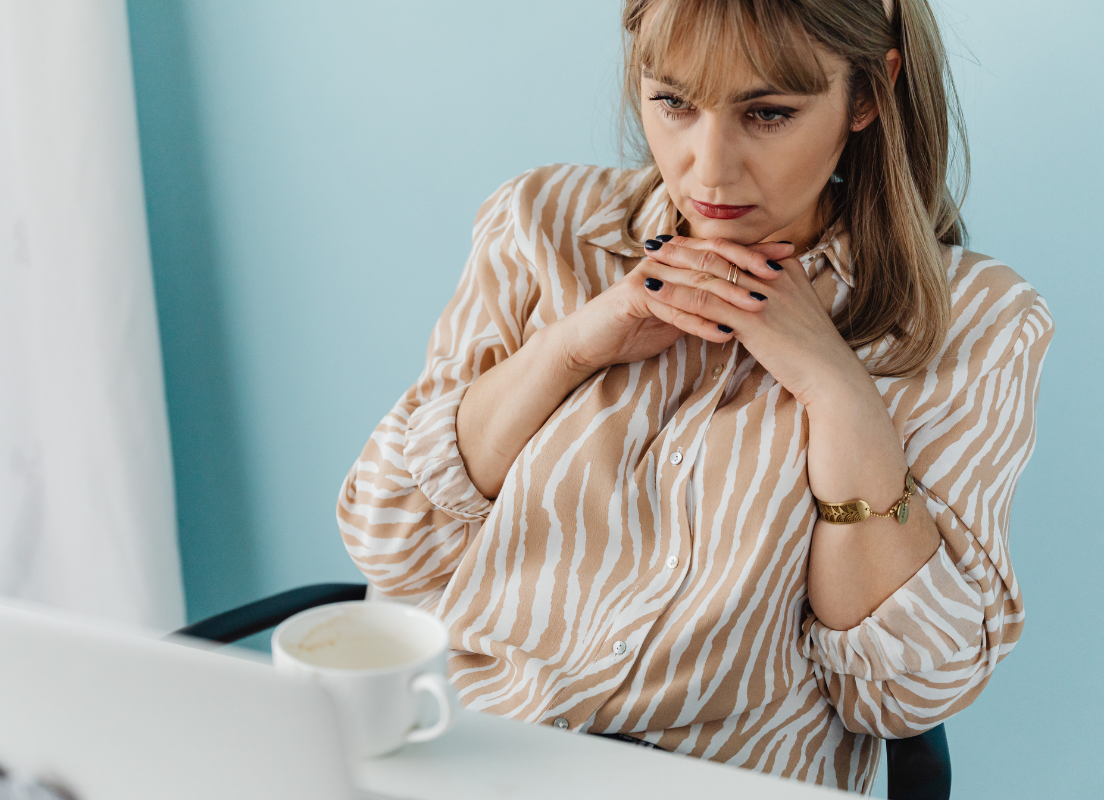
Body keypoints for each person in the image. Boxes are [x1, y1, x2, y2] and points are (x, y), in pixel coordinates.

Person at [337, 0, 1053, 792]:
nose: (709, 170)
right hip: (460, 757)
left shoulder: (978, 320)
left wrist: (838, 392)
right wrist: (570, 349)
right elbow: (390, 541)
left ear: (868, 94)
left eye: (768, 113)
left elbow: (905, 693)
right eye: (674, 102)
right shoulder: (539, 225)